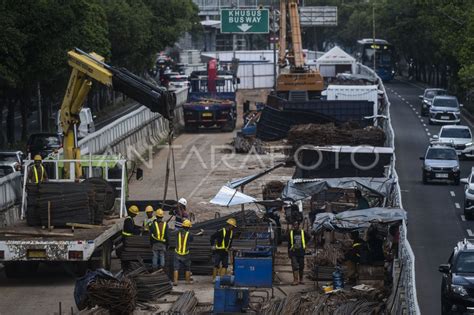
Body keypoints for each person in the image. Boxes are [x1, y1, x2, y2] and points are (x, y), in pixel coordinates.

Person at [288, 221, 310, 285]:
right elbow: (289, 244)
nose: (295, 226)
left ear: (298, 225)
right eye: (294, 225)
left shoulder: (302, 232)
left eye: (296, 225)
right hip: (293, 252)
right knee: (294, 266)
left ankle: (301, 279)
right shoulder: (291, 233)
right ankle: (295, 280)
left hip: (301, 252)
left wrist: (305, 244)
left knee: (301, 266)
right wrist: (289, 253)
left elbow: (309, 237)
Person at [173, 219, 193, 286]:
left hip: (177, 253)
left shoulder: (177, 232)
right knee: (187, 267)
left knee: (176, 267)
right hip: (186, 254)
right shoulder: (189, 234)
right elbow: (191, 240)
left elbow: (172, 234)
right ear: (188, 227)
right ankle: (187, 281)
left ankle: (175, 281)